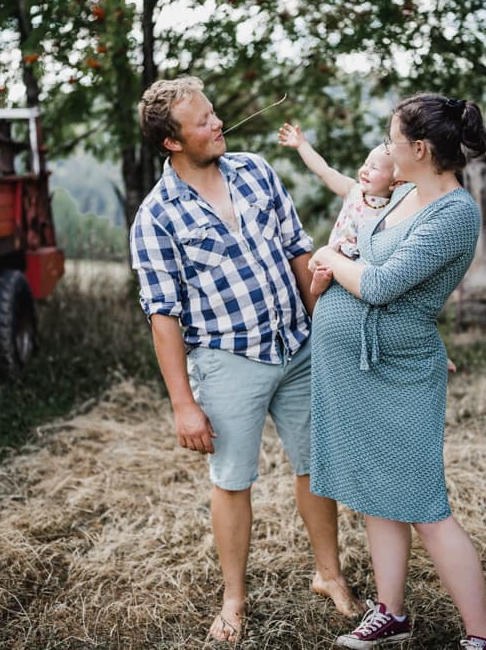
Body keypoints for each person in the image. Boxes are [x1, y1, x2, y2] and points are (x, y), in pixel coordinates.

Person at [128, 76, 361, 643]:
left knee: (315, 465)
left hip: (296, 344)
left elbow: (298, 252)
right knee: (232, 481)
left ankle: (328, 574)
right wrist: (184, 406)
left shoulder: (256, 170)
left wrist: (322, 323)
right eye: (203, 122)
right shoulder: (156, 217)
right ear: (172, 144)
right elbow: (163, 317)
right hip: (229, 361)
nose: (218, 125)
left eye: (214, 113)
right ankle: (234, 598)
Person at [307, 93, 486, 650]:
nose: (386, 148)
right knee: (376, 492)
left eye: (394, 140)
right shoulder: (405, 194)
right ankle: (389, 613)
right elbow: (370, 248)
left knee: (423, 504)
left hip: (398, 369)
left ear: (419, 148)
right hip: (354, 362)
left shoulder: (456, 214)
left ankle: (483, 637)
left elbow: (379, 283)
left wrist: (329, 258)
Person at [276, 123, 395, 259]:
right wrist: (302, 145)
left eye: (374, 168)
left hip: (357, 270)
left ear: (396, 182)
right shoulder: (352, 190)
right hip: (331, 262)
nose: (365, 170)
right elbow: (324, 171)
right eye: (366, 163)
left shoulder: (394, 209)